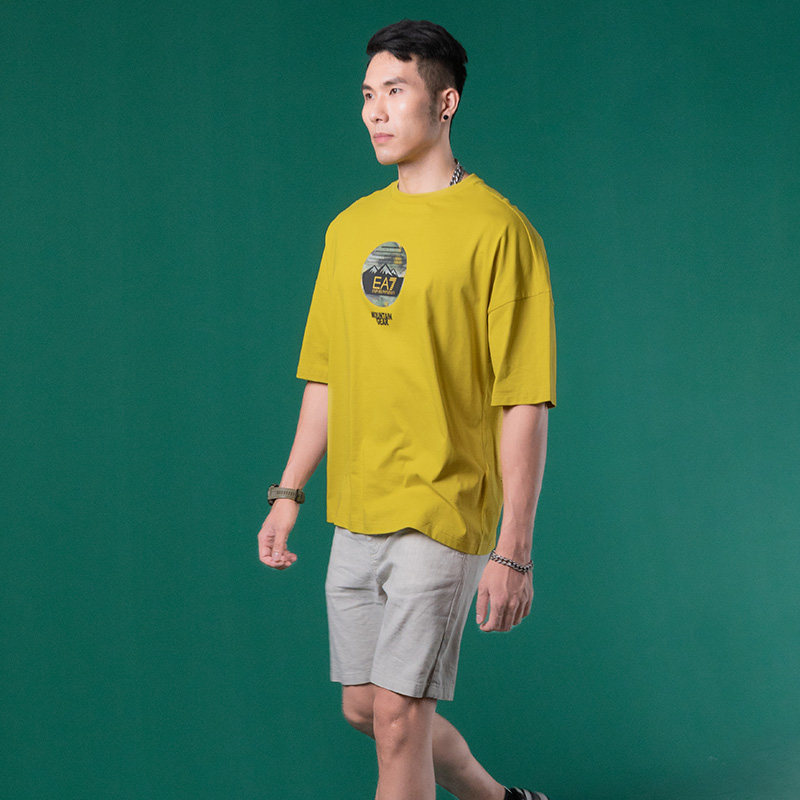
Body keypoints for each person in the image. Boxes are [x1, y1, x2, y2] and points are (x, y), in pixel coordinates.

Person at [258, 19, 556, 800]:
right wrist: (289, 492)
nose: (375, 112)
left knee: (398, 718)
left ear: (445, 102)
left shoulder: (500, 231)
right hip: (357, 507)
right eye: (367, 94)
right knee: (367, 709)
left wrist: (514, 549)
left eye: (394, 91)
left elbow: (523, 399)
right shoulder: (350, 228)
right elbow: (325, 376)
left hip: (444, 507)